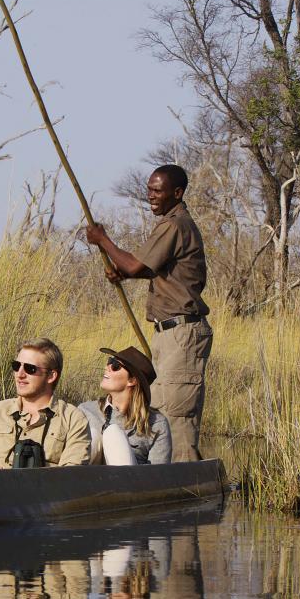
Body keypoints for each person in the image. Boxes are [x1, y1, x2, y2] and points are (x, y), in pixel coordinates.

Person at [85, 164, 212, 462]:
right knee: (166, 410)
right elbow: (153, 271)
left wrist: (102, 240)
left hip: (181, 334)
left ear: (177, 193)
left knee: (174, 415)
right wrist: (125, 274)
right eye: (149, 189)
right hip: (170, 334)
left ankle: (181, 487)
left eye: (157, 190)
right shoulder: (172, 224)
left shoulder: (175, 225)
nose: (150, 196)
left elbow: (136, 265)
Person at [0, 337, 91, 470]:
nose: (20, 374)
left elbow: (71, 474)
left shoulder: (72, 419)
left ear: (51, 376)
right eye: (16, 366)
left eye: (30, 369)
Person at [78, 346, 171, 465]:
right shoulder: (86, 410)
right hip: (88, 480)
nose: (107, 368)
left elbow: (158, 475)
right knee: (94, 436)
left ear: (132, 380)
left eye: (115, 365)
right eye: (108, 362)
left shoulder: (156, 424)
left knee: (113, 433)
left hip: (132, 481)